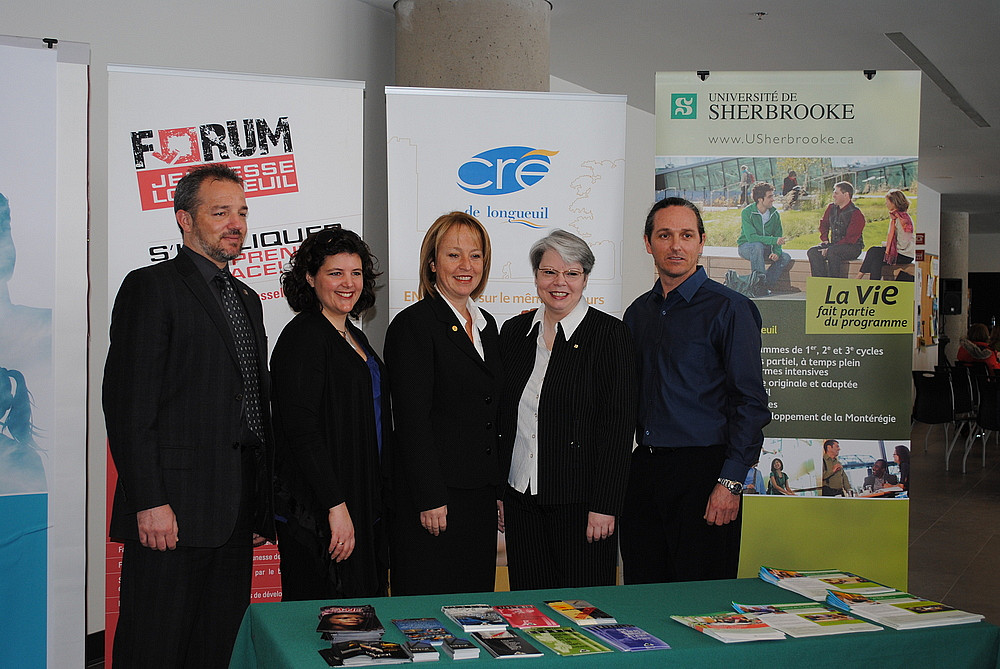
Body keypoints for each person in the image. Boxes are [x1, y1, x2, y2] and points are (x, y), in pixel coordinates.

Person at [103, 164, 274, 668]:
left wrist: (259, 504)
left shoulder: (246, 299)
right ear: (183, 219)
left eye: (241, 213)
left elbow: (250, 409)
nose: (235, 224)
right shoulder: (151, 287)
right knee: (153, 647)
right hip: (171, 514)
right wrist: (150, 500)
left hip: (235, 512)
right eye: (220, 212)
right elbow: (128, 406)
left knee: (216, 648)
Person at [621, 197, 771, 583]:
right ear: (647, 242)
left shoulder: (730, 309)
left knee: (701, 606)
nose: (676, 245)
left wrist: (730, 483)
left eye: (686, 235)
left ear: (701, 242)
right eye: (665, 235)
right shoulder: (637, 313)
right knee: (643, 598)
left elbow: (750, 403)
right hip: (646, 474)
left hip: (706, 477)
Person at [498, 229, 636, 590]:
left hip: (582, 506)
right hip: (520, 500)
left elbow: (618, 427)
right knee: (527, 609)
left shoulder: (610, 336)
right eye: (549, 272)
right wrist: (499, 490)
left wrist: (605, 504)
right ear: (536, 276)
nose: (559, 282)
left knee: (583, 614)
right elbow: (501, 418)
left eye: (571, 273)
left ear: (585, 278)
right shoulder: (514, 333)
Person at [385, 211, 502, 595]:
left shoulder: (488, 326)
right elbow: (411, 420)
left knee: (475, 613)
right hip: (435, 502)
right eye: (454, 255)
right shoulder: (413, 325)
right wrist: (430, 496)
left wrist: (498, 490)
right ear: (433, 263)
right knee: (427, 616)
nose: (466, 266)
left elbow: (492, 414)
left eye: (476, 255)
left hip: (480, 499)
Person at [270, 228, 390, 600]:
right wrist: (335, 508)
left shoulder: (353, 334)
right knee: (328, 623)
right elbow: (300, 431)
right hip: (321, 511)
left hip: (360, 499)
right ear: (310, 277)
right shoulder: (303, 337)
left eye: (355, 273)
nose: (348, 283)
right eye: (335, 273)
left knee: (363, 623)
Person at [737, 182, 793, 293]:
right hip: (747, 247)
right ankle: (759, 285)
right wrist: (774, 241)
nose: (773, 199)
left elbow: (778, 235)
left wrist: (776, 252)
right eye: (770, 196)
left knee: (785, 257)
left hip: (765, 248)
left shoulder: (774, 214)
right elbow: (752, 238)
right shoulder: (747, 212)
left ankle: (763, 284)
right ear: (760, 199)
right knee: (757, 246)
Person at [807, 181, 866, 278]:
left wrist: (829, 249)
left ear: (846, 195)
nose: (833, 196)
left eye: (836, 193)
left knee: (832, 252)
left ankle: (833, 283)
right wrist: (825, 240)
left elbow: (850, 238)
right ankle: (821, 283)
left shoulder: (856, 214)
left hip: (852, 247)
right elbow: (824, 224)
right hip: (834, 246)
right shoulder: (831, 208)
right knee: (813, 252)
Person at [856, 189, 915, 281]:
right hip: (897, 252)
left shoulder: (904, 219)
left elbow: (903, 244)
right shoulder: (895, 217)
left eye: (887, 202)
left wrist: (887, 246)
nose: (886, 204)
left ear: (894, 202)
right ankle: (874, 285)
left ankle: (858, 277)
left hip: (904, 254)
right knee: (876, 260)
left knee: (873, 251)